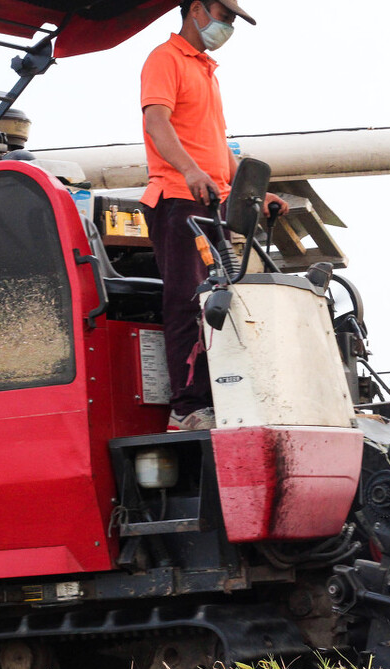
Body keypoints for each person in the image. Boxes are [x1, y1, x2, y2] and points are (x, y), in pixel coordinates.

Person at [140, 0, 285, 431]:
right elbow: (156, 122)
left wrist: (256, 192)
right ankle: (186, 408)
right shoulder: (165, 59)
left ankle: (221, 397)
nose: (228, 27)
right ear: (197, 9)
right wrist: (188, 170)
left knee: (219, 302)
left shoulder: (205, 68)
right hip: (178, 198)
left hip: (210, 201)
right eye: (224, 17)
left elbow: (217, 146)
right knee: (188, 301)